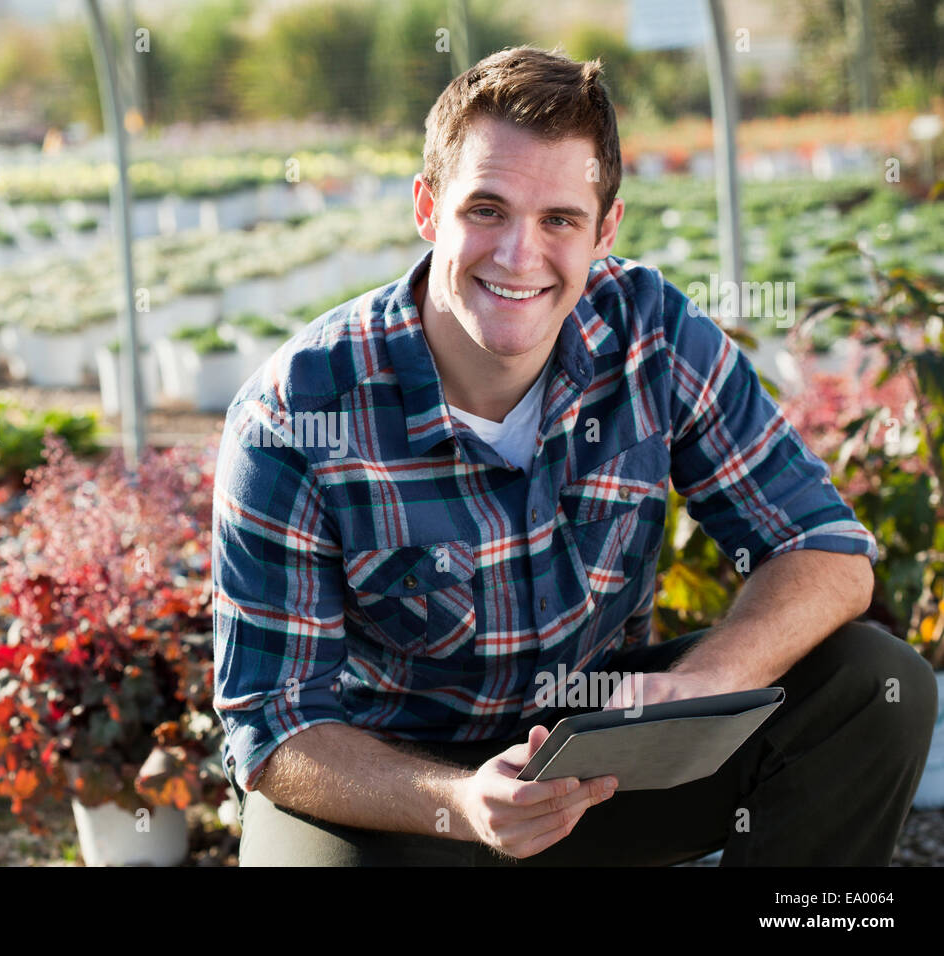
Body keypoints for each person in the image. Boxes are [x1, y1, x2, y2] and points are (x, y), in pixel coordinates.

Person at [210, 45, 937, 866]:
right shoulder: (299, 412)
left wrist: (707, 680)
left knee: (874, 684)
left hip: (596, 764)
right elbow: (273, 725)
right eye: (486, 210)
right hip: (398, 789)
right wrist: (461, 803)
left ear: (605, 229)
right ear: (426, 208)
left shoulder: (651, 335)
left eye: (559, 219)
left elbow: (826, 550)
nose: (520, 255)